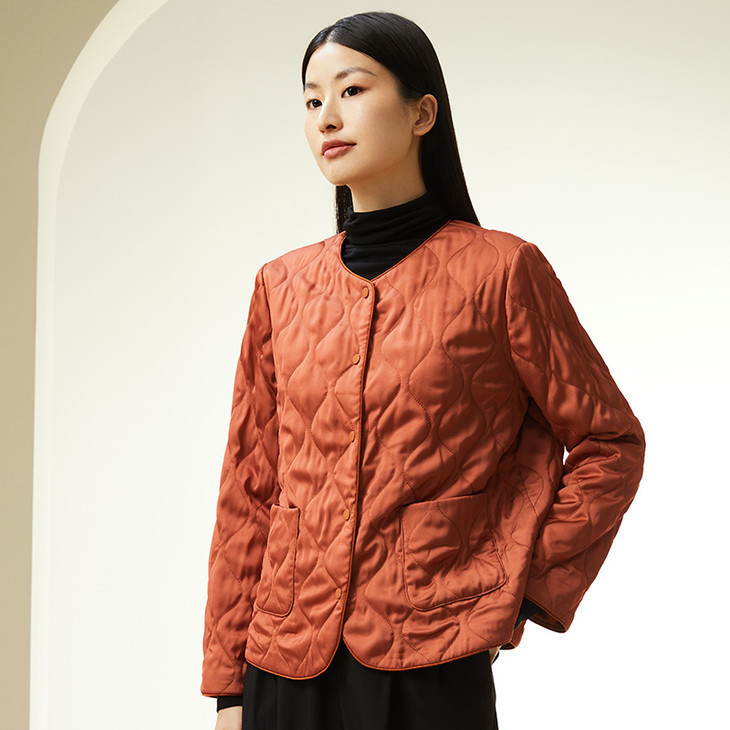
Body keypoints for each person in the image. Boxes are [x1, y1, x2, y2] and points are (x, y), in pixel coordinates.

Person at [201, 11, 646, 730]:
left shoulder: (502, 270)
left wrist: (521, 592)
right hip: (282, 663)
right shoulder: (280, 285)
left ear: (422, 113)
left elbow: (611, 443)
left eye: (352, 90)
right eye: (312, 100)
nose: (326, 117)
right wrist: (228, 688)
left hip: (431, 660)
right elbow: (248, 489)